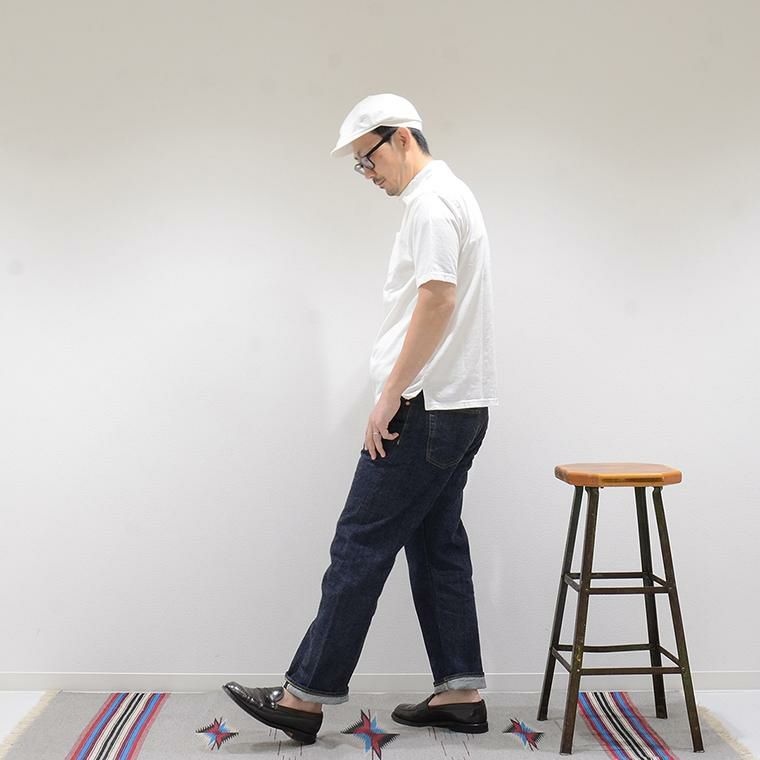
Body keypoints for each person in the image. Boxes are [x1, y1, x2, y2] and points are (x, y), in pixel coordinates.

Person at [223, 93, 499, 745]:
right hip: (462, 406)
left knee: (359, 544)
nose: (366, 174)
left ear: (401, 137)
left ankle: (302, 698)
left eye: (367, 159)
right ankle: (460, 693)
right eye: (359, 165)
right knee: (436, 545)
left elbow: (437, 299)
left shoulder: (431, 204)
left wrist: (390, 395)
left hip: (426, 408)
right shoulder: (452, 194)